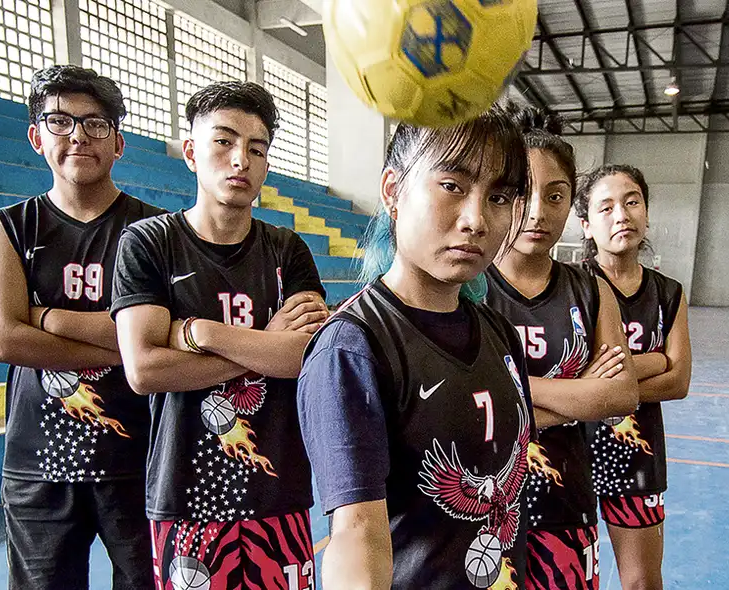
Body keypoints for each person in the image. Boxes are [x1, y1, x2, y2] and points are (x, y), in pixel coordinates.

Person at [297, 105, 537, 589]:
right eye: (452, 185)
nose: (476, 219)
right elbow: (356, 532)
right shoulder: (352, 347)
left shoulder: (499, 333)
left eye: (499, 196)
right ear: (393, 191)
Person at [110, 81, 328, 589]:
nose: (241, 161)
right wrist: (263, 345)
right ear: (191, 151)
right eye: (223, 142)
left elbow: (303, 357)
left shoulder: (287, 250)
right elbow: (144, 370)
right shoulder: (148, 243)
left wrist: (201, 332)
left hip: (279, 491)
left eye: (257, 149)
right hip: (186, 495)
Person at [0, 65, 162, 589]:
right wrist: (127, 344)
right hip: (39, 466)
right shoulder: (11, 227)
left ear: (119, 141)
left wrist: (47, 317)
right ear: (37, 137)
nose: (78, 135)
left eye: (96, 123)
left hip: (139, 458)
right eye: (60, 121)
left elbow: (160, 336)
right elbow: (3, 340)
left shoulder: (152, 233)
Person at [485, 106, 639, 590]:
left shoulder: (593, 292)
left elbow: (619, 397)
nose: (537, 212)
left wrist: (501, 393)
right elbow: (453, 407)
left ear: (571, 205)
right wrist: (576, 395)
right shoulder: (467, 288)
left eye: (555, 196)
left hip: (567, 508)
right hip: (482, 513)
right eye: (524, 194)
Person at [577, 164, 692, 590]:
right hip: (570, 452)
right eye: (605, 208)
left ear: (646, 213)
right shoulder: (573, 288)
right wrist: (655, 359)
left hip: (638, 457)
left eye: (631, 202)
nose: (621, 215)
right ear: (587, 226)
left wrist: (605, 384)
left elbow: (679, 381)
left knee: (642, 582)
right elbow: (572, 372)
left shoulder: (669, 293)